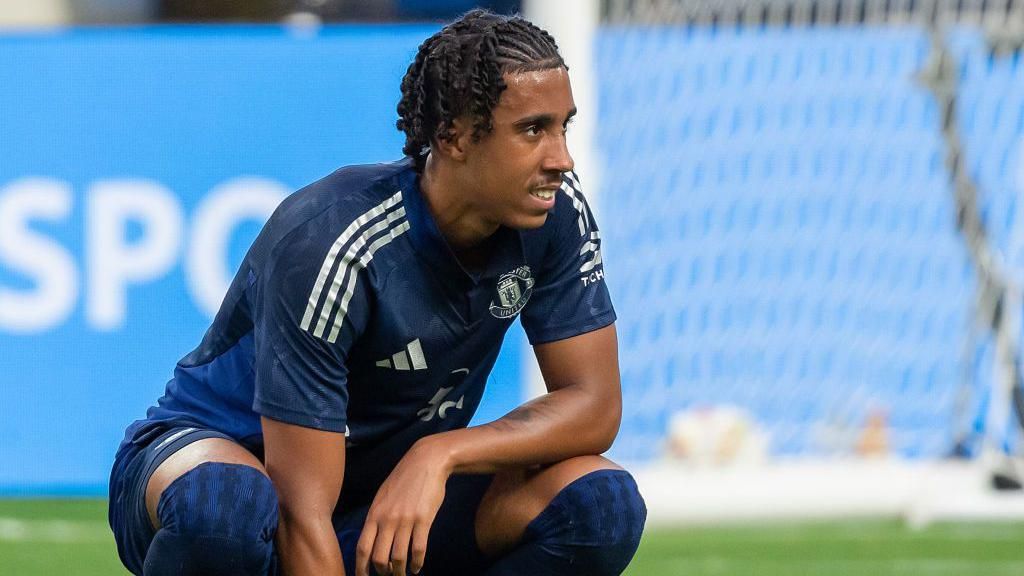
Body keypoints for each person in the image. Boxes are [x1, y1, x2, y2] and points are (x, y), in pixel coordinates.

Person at [108, 9, 646, 576]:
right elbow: (300, 513)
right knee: (225, 507)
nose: (562, 158)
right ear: (453, 137)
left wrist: (441, 452)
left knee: (600, 504)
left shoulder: (556, 214)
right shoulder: (334, 243)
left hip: (382, 493)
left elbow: (593, 406)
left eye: (565, 126)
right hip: (240, 481)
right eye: (533, 130)